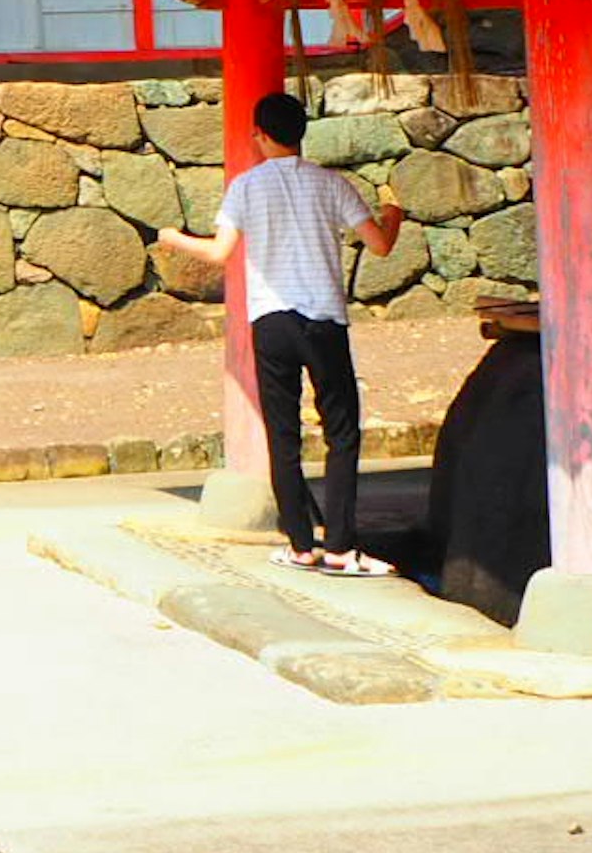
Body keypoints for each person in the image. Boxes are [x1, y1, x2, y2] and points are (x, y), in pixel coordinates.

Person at [157, 90, 408, 577]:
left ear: (262, 136)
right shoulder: (331, 184)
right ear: (300, 133)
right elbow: (378, 247)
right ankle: (340, 546)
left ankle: (299, 544)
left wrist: (172, 239)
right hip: (323, 319)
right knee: (341, 432)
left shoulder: (246, 188)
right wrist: (393, 217)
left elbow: (217, 253)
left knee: (283, 433)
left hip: (271, 320)